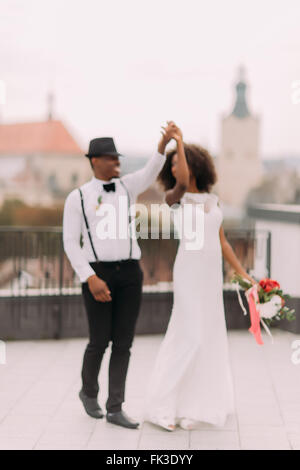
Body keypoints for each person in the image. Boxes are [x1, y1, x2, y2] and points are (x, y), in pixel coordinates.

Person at [143, 123, 257, 431]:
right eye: (173, 163)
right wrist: (177, 142)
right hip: (189, 273)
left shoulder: (212, 200)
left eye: (180, 160)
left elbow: (222, 243)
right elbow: (179, 180)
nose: (176, 165)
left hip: (210, 277)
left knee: (208, 339)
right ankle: (161, 407)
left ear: (195, 165)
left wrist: (244, 274)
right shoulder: (174, 197)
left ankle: (196, 406)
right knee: (189, 336)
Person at [63, 125, 174, 429]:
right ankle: (88, 392)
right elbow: (70, 242)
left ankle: (115, 407)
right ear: (95, 161)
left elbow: (152, 170)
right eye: (111, 159)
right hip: (97, 273)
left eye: (118, 158)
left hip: (129, 273)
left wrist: (162, 144)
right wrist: (89, 278)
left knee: (123, 342)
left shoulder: (127, 186)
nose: (117, 163)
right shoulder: (78, 198)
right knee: (99, 340)